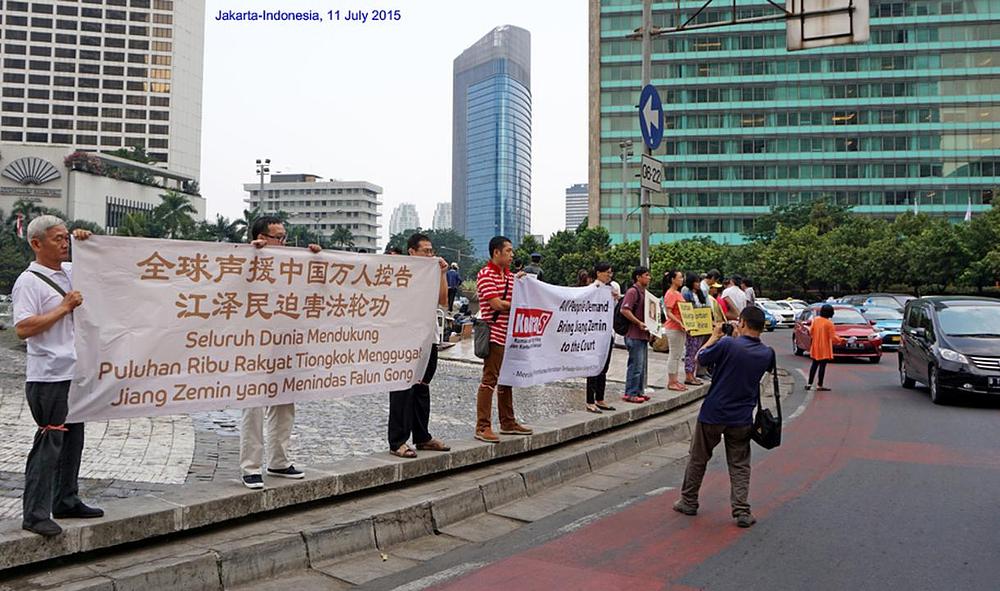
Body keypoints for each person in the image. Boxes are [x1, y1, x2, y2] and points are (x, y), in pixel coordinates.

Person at [12, 216, 103, 536]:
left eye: (66, 238)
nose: (64, 244)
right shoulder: (29, 281)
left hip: (73, 372)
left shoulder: (67, 272)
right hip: (48, 376)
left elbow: (99, 273)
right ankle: (35, 513)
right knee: (50, 441)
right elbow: (23, 328)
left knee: (73, 440)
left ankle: (66, 499)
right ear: (37, 244)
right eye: (57, 239)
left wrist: (86, 242)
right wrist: (64, 307)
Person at [673, 306, 776, 529]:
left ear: (743, 323)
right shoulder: (767, 353)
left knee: (698, 457)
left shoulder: (728, 344)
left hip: (714, 412)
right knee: (740, 464)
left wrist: (714, 336)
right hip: (742, 417)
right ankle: (741, 510)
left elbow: (700, 358)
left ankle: (689, 501)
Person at [240, 216, 319, 489]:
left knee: (285, 402)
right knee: (253, 405)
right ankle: (250, 466)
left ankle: (278, 461)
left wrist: (316, 260)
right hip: (254, 343)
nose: (282, 242)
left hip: (286, 342)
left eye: (284, 237)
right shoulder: (245, 259)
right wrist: (252, 254)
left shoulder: (293, 264)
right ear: (261, 237)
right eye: (277, 237)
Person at [387, 233, 452, 458]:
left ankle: (422, 436)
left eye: (431, 251)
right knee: (401, 387)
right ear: (412, 252)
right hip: (404, 337)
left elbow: (443, 300)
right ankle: (398, 440)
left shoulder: (432, 273)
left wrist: (442, 273)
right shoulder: (402, 273)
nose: (429, 254)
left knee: (422, 386)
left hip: (428, 337)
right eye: (425, 251)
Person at [475, 236, 533, 442]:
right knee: (489, 379)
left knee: (506, 379)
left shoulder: (510, 277)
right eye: (508, 251)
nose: (512, 255)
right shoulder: (485, 275)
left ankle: (508, 422)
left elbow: (516, 298)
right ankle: (482, 426)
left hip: (510, 335)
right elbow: (496, 304)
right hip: (494, 335)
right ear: (496, 252)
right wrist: (517, 302)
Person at [585, 262, 618, 414]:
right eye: (607, 272)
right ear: (598, 273)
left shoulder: (611, 289)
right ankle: (590, 401)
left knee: (604, 367)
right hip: (595, 334)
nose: (609, 275)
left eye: (610, 273)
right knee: (593, 367)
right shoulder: (592, 289)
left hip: (607, 333)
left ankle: (600, 398)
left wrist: (615, 297)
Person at [619, 267, 652, 404]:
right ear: (638, 277)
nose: (649, 278)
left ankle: (638, 391)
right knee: (636, 366)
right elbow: (624, 310)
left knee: (641, 366)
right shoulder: (633, 292)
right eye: (646, 275)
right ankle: (630, 393)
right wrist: (638, 322)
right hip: (634, 335)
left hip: (642, 335)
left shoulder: (645, 293)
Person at [681, 272, 710, 387]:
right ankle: (689, 374)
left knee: (698, 350)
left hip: (701, 325)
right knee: (691, 350)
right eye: (696, 282)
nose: (698, 284)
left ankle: (693, 374)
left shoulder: (700, 293)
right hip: (692, 325)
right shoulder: (686, 292)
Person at [807, 304, 844, 391]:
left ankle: (809, 383)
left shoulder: (815, 320)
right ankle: (819, 385)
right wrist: (841, 340)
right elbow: (833, 337)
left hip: (815, 346)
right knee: (822, 366)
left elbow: (811, 332)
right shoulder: (829, 323)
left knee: (814, 365)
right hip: (824, 347)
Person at [661, 270, 688, 392]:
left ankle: (675, 380)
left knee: (677, 355)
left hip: (680, 327)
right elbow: (669, 312)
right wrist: (679, 322)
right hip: (674, 327)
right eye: (680, 277)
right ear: (673, 279)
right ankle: (671, 381)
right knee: (674, 354)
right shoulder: (671, 294)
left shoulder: (677, 293)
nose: (682, 279)